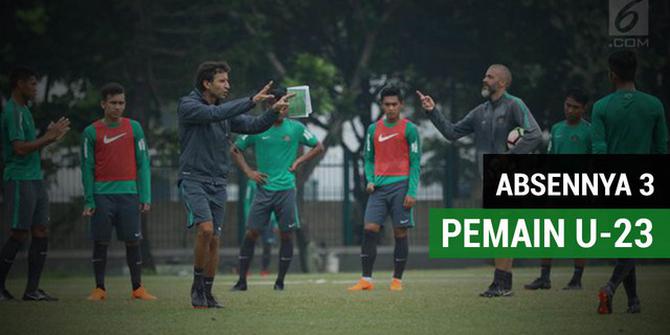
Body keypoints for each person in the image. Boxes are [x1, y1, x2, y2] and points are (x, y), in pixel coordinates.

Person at [417, 64, 542, 297]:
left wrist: (509, 157)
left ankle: (501, 284)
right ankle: (502, 284)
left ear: (502, 83)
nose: (484, 79)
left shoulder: (515, 104)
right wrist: (433, 111)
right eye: (485, 75)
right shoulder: (480, 112)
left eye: (490, 76)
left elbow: (534, 134)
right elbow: (452, 133)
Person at [177, 61, 292, 308]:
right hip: (194, 178)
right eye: (222, 81)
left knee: (215, 240)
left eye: (228, 81)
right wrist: (251, 100)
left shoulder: (225, 111)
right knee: (205, 230)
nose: (227, 85)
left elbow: (252, 126)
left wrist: (273, 111)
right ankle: (196, 288)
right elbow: (213, 114)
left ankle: (207, 293)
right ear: (207, 84)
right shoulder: (188, 106)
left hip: (218, 181)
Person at [593, 50, 668, 314]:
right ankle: (622, 293)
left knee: (625, 242)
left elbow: (599, 151)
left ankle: (626, 296)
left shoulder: (601, 107)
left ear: (612, 73)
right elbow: (661, 149)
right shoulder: (654, 105)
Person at [231, 87, 323, 291]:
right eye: (280, 104)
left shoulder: (296, 128)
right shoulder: (257, 128)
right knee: (252, 233)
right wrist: (249, 172)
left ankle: (280, 282)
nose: (284, 108)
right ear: (268, 106)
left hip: (286, 191)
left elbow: (318, 146)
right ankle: (241, 281)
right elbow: (235, 149)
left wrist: (299, 161)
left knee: (286, 235)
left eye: (286, 104)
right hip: (263, 189)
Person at [0, 66, 70, 301]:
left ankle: (32, 290)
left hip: (34, 178)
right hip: (19, 178)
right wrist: (48, 137)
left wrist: (48, 137)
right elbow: (19, 149)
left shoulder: (26, 111)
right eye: (32, 83)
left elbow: (31, 146)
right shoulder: (13, 111)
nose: (35, 87)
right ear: (19, 84)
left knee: (40, 230)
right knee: (19, 232)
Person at [81, 82, 156, 301]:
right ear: (103, 104)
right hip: (101, 195)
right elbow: (87, 167)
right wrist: (89, 200)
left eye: (121, 103)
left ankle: (138, 288)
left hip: (129, 195)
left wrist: (145, 196)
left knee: (133, 241)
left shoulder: (135, 128)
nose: (117, 107)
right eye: (113, 103)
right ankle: (99, 288)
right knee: (100, 241)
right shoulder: (90, 132)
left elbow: (143, 163)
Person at [348, 87, 420, 292]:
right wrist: (370, 180)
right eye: (387, 104)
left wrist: (412, 191)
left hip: (401, 186)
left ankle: (396, 281)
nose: (390, 108)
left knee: (400, 232)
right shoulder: (373, 129)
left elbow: (415, 162)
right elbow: (369, 159)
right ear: (381, 105)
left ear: (401, 105)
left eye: (394, 104)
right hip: (378, 189)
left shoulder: (410, 129)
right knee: (369, 229)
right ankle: (366, 280)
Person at [524, 88, 590, 291]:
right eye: (567, 105)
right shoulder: (557, 129)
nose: (570, 110)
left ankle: (576, 279)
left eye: (575, 107)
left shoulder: (590, 131)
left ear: (584, 109)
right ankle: (545, 277)